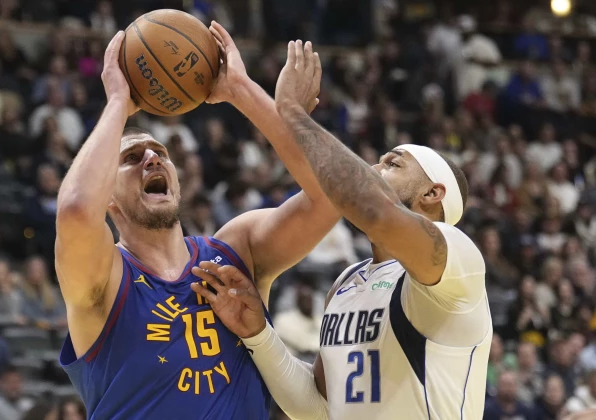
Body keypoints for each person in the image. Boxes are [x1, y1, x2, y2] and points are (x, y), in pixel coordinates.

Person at [191, 36, 492, 419]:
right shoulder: (348, 281)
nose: (373, 170)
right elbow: (318, 407)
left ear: (433, 193)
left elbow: (376, 210)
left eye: (392, 164)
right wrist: (258, 335)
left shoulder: (458, 261)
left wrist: (291, 110)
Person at [57, 27, 338, 419]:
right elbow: (74, 210)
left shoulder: (236, 249)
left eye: (160, 153)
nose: (152, 159)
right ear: (107, 195)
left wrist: (240, 88)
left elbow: (330, 194)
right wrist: (119, 103)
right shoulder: (104, 278)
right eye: (132, 157)